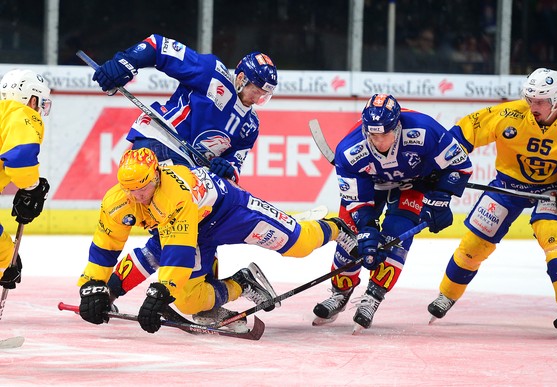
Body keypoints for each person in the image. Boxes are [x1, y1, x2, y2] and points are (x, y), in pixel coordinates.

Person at [90, 34, 278, 326]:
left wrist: (225, 167)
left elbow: (234, 165)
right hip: (159, 142)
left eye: (264, 94)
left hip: (190, 175)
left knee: (179, 233)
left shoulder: (250, 126)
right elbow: (158, 46)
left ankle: (115, 290)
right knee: (148, 217)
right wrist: (126, 61)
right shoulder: (211, 74)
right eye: (256, 90)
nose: (258, 98)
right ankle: (111, 288)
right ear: (241, 78)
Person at [77, 148, 352, 334]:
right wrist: (92, 286)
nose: (137, 196)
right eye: (130, 190)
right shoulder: (117, 202)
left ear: (157, 176)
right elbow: (106, 243)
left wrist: (160, 291)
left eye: (143, 188)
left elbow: (178, 251)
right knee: (188, 302)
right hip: (193, 230)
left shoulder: (174, 195)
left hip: (231, 211)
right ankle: (242, 283)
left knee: (300, 245)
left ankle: (336, 228)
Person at [426, 68, 557, 336]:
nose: (534, 106)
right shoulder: (509, 114)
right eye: (530, 98)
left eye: (541, 101)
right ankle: (447, 295)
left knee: (554, 237)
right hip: (507, 185)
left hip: (552, 190)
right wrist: (441, 169)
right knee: (475, 243)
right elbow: (463, 133)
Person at [312, 93, 473, 331]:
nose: (378, 141)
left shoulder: (425, 130)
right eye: (373, 135)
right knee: (352, 238)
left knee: (397, 236)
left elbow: (460, 166)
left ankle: (373, 297)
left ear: (397, 126)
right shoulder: (349, 150)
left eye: (384, 134)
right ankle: (340, 292)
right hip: (370, 186)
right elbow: (356, 199)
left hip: (413, 184)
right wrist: (366, 227)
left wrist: (441, 197)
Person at [0, 69, 51, 290]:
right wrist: (32, 187)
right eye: (40, 102)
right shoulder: (21, 113)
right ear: (31, 98)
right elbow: (20, 156)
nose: (39, 109)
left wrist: (6, 258)